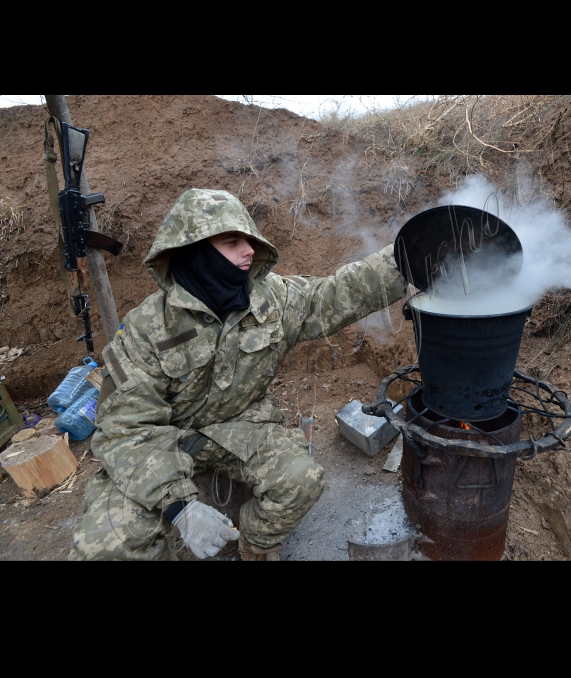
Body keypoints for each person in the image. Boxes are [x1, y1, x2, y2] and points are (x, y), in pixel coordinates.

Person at [70, 189, 406, 561]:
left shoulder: (271, 299)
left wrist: (405, 258)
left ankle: (255, 545)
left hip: (239, 429)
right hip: (163, 444)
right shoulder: (145, 328)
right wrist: (179, 506)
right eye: (232, 242)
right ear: (194, 250)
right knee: (105, 545)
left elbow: (337, 294)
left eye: (248, 240)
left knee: (300, 480)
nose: (249, 250)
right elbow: (125, 429)